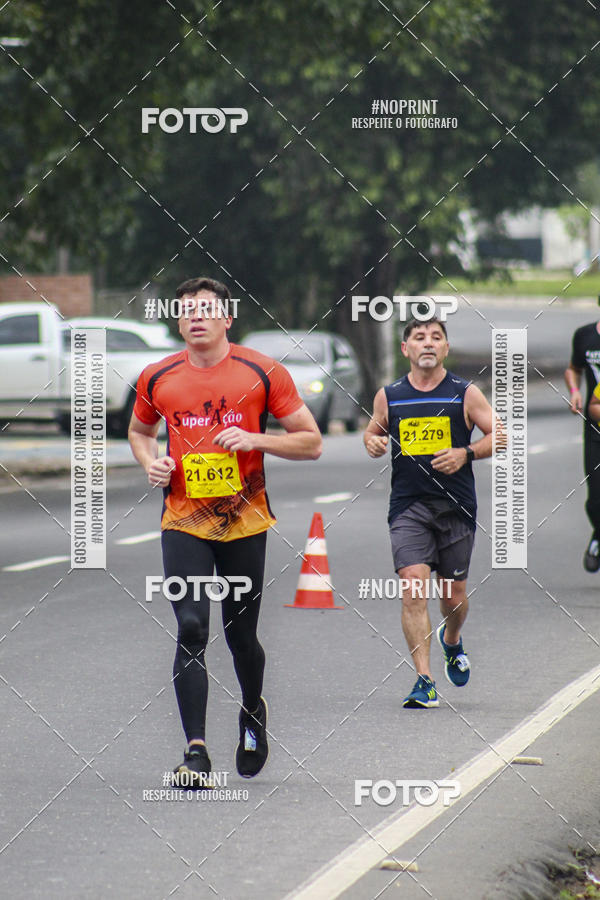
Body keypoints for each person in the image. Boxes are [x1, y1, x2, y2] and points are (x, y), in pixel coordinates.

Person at [129, 277, 322, 783]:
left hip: (245, 521)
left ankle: (252, 710)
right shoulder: (157, 376)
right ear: (178, 320)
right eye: (187, 309)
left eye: (207, 308)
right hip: (183, 521)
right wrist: (152, 463)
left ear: (226, 318)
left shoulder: (262, 371)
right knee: (192, 627)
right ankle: (195, 752)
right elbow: (139, 431)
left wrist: (255, 438)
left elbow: (311, 441)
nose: (196, 316)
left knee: (241, 636)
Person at [363, 317, 496, 709]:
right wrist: (372, 441)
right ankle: (424, 679)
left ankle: (451, 640)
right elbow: (374, 430)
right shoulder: (389, 395)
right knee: (413, 588)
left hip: (455, 507)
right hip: (408, 506)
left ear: (445, 349)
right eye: (419, 338)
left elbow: (499, 435)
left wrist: (465, 453)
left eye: (436, 338)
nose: (427, 343)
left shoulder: (465, 393)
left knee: (453, 596)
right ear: (405, 349)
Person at [564, 320, 600, 572]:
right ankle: (599, 534)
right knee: (596, 499)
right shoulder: (584, 335)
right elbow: (573, 368)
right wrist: (575, 390)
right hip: (595, 429)